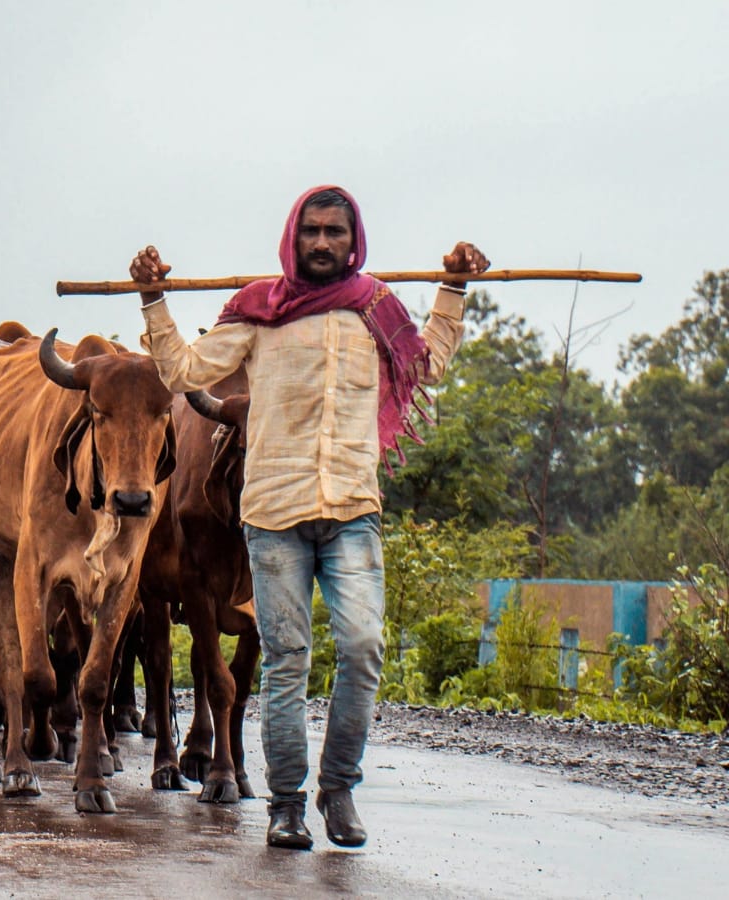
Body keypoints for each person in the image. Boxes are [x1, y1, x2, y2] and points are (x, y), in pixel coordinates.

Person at [131, 185, 488, 850]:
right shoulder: (259, 313)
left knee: (363, 648)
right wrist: (153, 299)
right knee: (287, 661)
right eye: (312, 231)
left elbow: (428, 364)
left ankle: (339, 789)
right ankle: (287, 804)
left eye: (336, 232)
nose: (323, 243)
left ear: (355, 243)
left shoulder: (377, 310)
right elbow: (182, 369)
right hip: (273, 513)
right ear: (294, 238)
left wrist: (454, 288)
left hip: (353, 509)